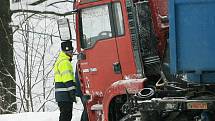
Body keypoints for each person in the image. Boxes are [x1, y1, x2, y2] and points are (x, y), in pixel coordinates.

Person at [54, 41, 77, 121]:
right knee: (66, 116)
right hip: (65, 95)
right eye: (71, 51)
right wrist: (72, 93)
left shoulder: (61, 60)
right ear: (67, 51)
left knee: (65, 115)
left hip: (62, 95)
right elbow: (67, 79)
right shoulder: (64, 62)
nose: (72, 53)